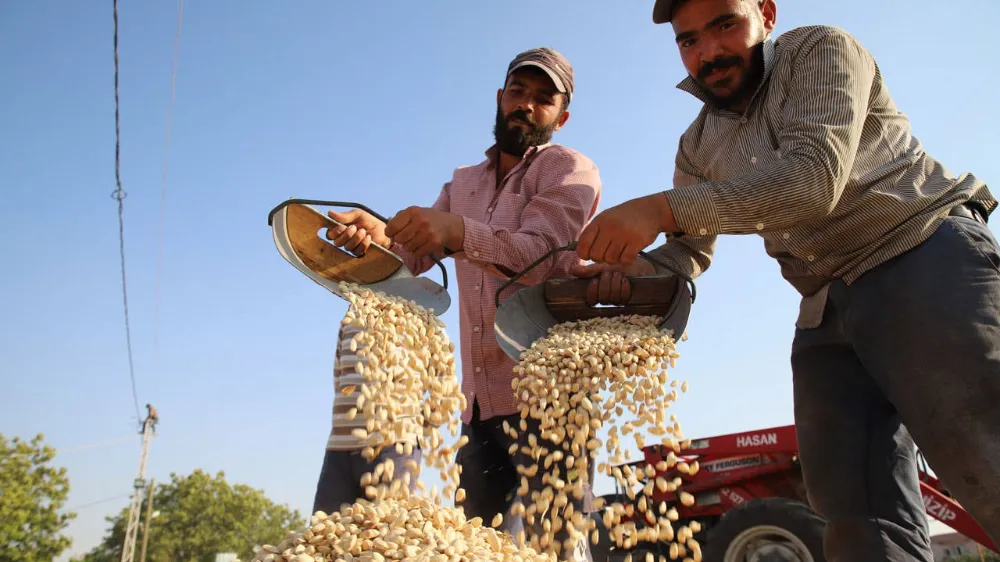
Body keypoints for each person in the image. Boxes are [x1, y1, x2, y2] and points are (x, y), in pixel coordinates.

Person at [570, 1, 1000, 560]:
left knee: (982, 451)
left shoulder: (818, 51)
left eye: (725, 24)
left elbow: (811, 180)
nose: (708, 52)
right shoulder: (698, 145)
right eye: (689, 40)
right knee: (852, 511)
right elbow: (685, 257)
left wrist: (658, 209)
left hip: (917, 249)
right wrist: (625, 275)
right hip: (823, 302)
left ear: (765, 14)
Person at [323, 47, 602, 561]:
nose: (526, 105)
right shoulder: (463, 183)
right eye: (518, 92)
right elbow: (414, 251)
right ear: (500, 98)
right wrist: (377, 233)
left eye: (543, 100)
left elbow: (539, 256)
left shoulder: (567, 169)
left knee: (554, 544)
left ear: (561, 118)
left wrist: (458, 232)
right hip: (477, 407)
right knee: (476, 545)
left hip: (550, 399)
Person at [311, 316, 423, 514]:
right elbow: (340, 380)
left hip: (393, 447)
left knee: (385, 534)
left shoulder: (418, 316)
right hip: (340, 447)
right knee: (325, 535)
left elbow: (439, 385)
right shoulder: (349, 319)